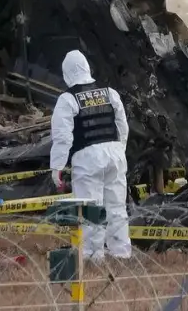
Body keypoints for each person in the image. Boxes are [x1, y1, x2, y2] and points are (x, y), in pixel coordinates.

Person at [50, 50, 132, 262]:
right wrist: (119, 150)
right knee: (116, 208)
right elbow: (122, 126)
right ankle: (121, 253)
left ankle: (92, 257)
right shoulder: (110, 93)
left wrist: (57, 167)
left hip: (87, 158)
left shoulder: (67, 99)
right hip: (115, 154)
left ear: (66, 73)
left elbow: (62, 138)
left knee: (90, 210)